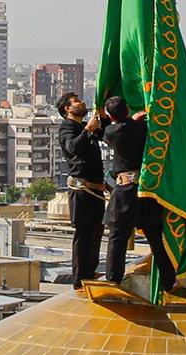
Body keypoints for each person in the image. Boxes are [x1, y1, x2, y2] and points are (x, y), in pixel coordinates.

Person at [98, 94, 169, 295]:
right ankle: (169, 279)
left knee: (117, 237)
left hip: (124, 190)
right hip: (145, 190)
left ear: (111, 116)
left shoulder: (112, 131)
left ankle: (113, 280)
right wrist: (135, 119)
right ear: (127, 110)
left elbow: (105, 130)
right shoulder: (142, 127)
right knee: (155, 238)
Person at [56, 94, 106, 292]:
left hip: (95, 188)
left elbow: (105, 134)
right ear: (67, 109)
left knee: (96, 231)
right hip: (81, 189)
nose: (82, 102)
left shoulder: (85, 126)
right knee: (84, 234)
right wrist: (87, 130)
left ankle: (90, 271)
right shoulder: (67, 128)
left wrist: (102, 117)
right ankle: (80, 278)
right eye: (76, 101)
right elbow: (72, 148)